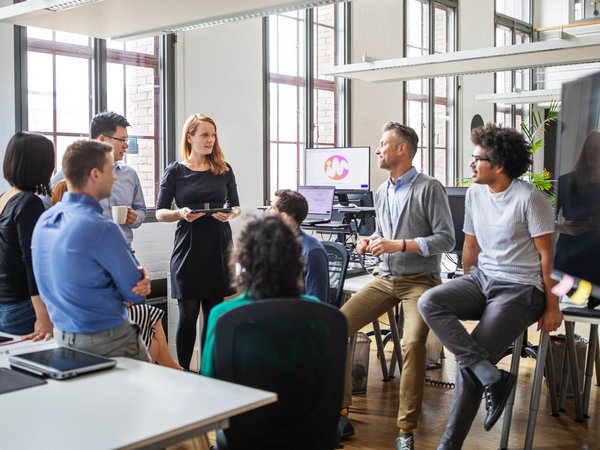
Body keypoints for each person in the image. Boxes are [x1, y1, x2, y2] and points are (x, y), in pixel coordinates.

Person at [418, 123, 563, 450]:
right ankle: (491, 375)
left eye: (476, 158)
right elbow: (471, 246)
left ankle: (448, 445)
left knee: (469, 366)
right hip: (483, 279)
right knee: (430, 302)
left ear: (497, 165)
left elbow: (547, 257)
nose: (471, 164)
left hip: (521, 289)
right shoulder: (474, 193)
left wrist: (553, 306)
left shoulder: (531, 199)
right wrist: (468, 281)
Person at [339, 122, 455, 450]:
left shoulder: (429, 187)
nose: (378, 150)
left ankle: (405, 429)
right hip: (384, 278)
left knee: (413, 344)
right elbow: (383, 234)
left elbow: (446, 239)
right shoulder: (382, 190)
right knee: (336, 326)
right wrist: (369, 242)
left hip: (419, 281)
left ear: (402, 149)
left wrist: (399, 245)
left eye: (382, 144)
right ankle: (340, 410)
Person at [32, 139, 152, 360]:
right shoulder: (102, 228)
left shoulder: (44, 220)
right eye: (110, 171)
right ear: (95, 175)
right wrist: (138, 280)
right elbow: (135, 295)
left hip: (63, 338)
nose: (115, 177)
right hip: (110, 341)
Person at [49, 181, 181, 370]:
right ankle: (171, 368)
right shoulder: (92, 235)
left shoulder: (54, 234)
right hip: (96, 323)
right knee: (151, 322)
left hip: (74, 321)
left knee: (152, 336)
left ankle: (167, 367)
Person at [156, 113, 241, 371]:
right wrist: (180, 213)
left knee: (213, 317)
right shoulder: (175, 171)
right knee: (188, 316)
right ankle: (182, 372)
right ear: (190, 137)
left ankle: (207, 372)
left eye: (213, 135)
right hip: (188, 249)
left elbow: (236, 207)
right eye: (204, 135)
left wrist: (229, 214)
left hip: (219, 247)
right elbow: (160, 212)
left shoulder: (223, 169)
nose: (210, 140)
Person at [200, 214, 319, 377]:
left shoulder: (222, 315)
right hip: (304, 403)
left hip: (245, 402)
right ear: (297, 262)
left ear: (242, 263)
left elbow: (210, 379)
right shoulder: (316, 312)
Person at [51, 111, 147, 255]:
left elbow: (141, 209)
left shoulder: (130, 174)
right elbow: (48, 205)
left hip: (124, 252)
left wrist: (135, 218)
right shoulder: (70, 174)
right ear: (102, 139)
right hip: (87, 254)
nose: (126, 145)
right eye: (122, 140)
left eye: (127, 140)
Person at [0, 132, 54, 339]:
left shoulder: (5, 198)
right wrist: (43, 316)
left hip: (5, 302)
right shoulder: (29, 203)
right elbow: (33, 263)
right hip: (22, 306)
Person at [554, 128, 600, 285]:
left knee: (590, 303)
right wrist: (563, 227)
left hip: (596, 256)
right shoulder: (566, 182)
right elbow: (546, 218)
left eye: (597, 147)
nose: (592, 152)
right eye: (589, 147)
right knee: (565, 299)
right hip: (568, 254)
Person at [267, 189, 329, 303]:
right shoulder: (273, 243)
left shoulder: (312, 252)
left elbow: (316, 304)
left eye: (272, 208)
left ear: (284, 217)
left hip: (296, 316)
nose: (267, 211)